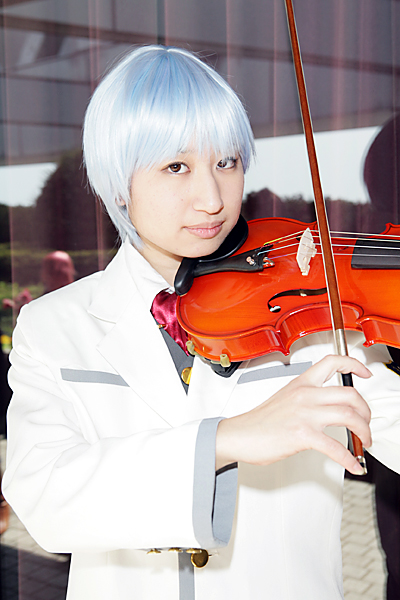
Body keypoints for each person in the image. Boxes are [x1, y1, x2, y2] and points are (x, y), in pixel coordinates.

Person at [2, 45, 400, 600]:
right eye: (176, 167)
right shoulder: (53, 326)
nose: (212, 198)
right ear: (117, 183)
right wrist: (225, 439)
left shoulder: (315, 309)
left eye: (227, 162)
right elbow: (43, 498)